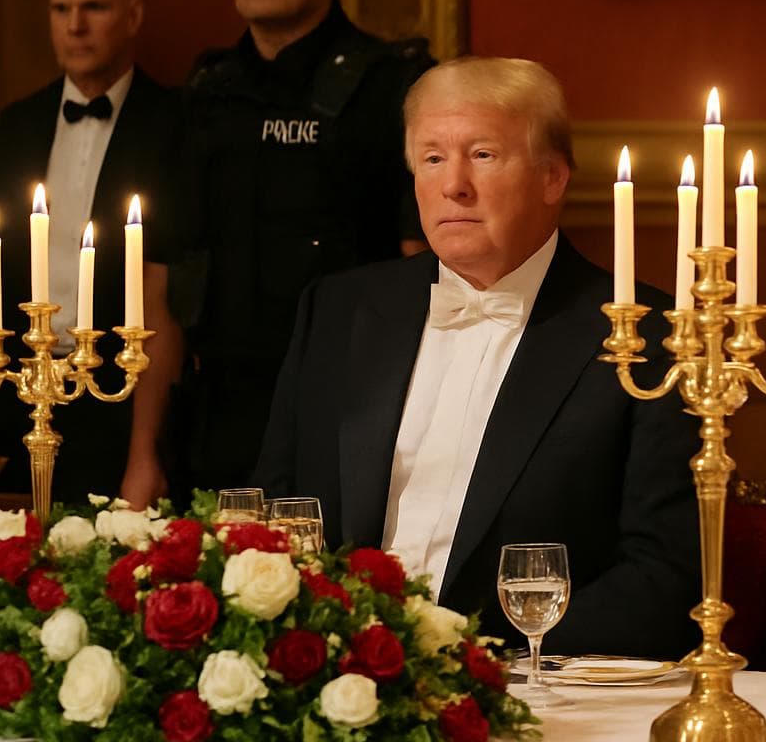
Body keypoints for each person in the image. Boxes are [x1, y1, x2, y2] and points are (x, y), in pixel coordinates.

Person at [254, 57, 700, 658]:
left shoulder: (648, 336)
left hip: (537, 686)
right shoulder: (338, 310)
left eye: (483, 155)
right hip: (336, 675)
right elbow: (272, 514)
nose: (453, 185)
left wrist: (477, 659)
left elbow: (663, 577)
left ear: (553, 177)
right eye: (433, 158)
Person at [168, 0, 434, 495]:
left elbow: (424, 270)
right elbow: (169, 274)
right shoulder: (209, 91)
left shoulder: (391, 88)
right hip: (219, 411)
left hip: (350, 403)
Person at [0, 0, 182, 506]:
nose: (75, 26)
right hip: (15, 391)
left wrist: (145, 450)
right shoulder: (18, 124)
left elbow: (162, 291)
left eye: (94, 7)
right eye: (61, 9)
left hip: (116, 394)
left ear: (133, 16)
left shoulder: (172, 124)